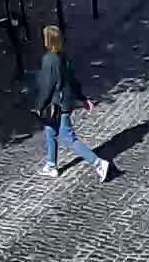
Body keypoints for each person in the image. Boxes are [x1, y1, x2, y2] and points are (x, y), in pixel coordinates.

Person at [32, 25, 110, 181]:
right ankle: (51, 165)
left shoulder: (49, 59)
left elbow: (48, 86)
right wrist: (83, 99)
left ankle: (98, 163)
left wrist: (39, 106)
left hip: (58, 105)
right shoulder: (64, 57)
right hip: (66, 103)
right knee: (50, 132)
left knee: (69, 138)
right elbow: (73, 81)